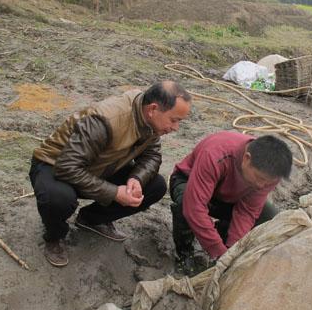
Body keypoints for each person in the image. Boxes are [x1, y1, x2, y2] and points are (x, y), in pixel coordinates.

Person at [29, 81, 192, 267]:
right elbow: (67, 167)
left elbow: (152, 155)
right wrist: (114, 193)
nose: (176, 128)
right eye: (174, 120)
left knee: (155, 186)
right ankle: (54, 237)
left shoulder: (149, 118)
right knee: (58, 199)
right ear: (153, 109)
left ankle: (90, 219)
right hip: (55, 165)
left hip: (100, 165)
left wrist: (136, 178)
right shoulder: (106, 120)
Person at [169, 131, 293, 275]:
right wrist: (217, 250)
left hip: (228, 198)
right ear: (247, 159)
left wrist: (232, 252)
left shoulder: (267, 177)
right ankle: (184, 253)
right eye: (260, 178)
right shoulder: (216, 153)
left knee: (270, 217)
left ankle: (221, 235)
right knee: (186, 204)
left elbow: (247, 212)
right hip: (188, 183)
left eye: (268, 183)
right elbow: (194, 207)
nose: (262, 185)